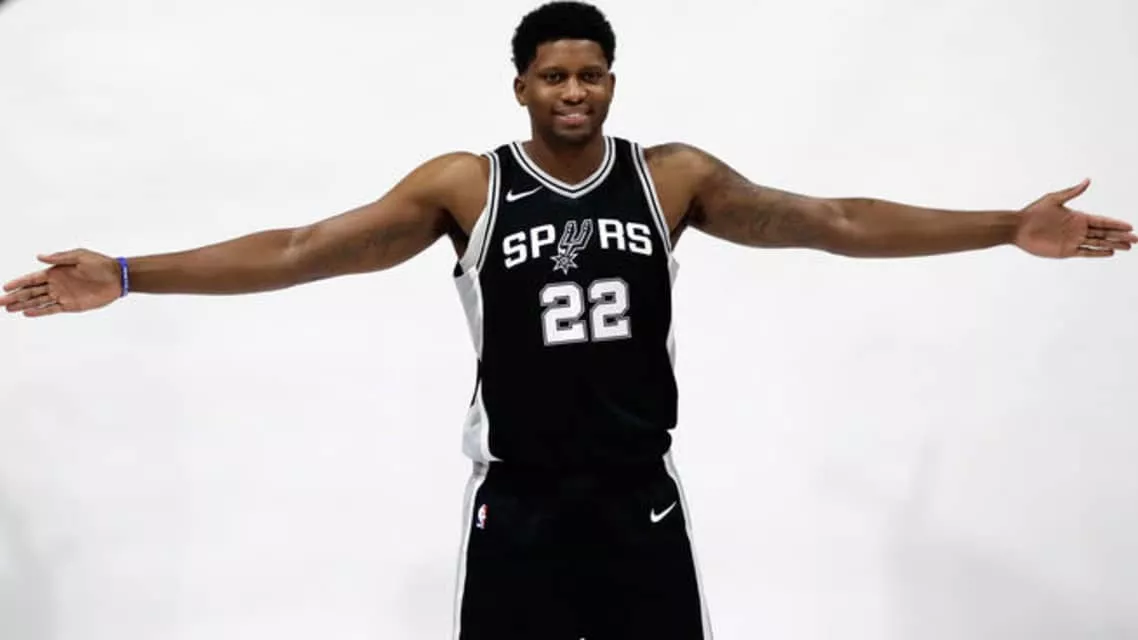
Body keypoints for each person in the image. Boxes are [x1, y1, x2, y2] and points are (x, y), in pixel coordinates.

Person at [3, 1, 1134, 638]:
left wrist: (1005, 226)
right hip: (522, 505)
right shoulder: (467, 187)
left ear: (612, 81)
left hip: (641, 496)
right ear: (521, 87)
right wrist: (131, 273)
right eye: (554, 76)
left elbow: (833, 220)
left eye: (592, 73)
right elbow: (303, 249)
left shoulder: (672, 178)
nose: (576, 92)